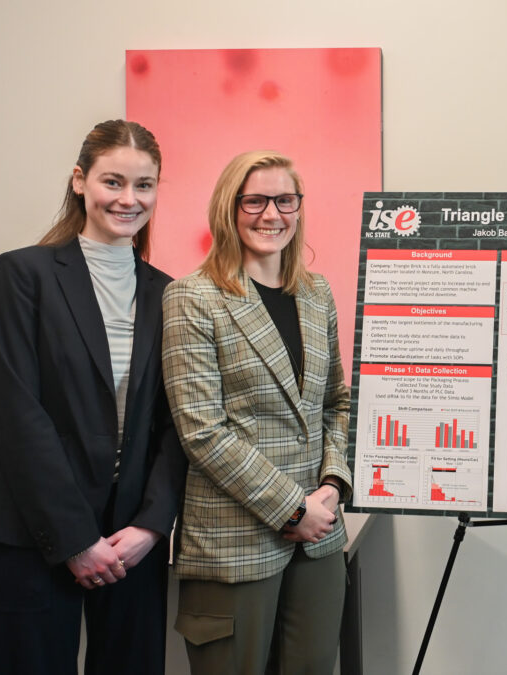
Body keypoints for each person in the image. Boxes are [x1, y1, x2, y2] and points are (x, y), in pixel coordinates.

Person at [0, 119, 188, 675]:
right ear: (80, 181)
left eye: (144, 185)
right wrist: (75, 541)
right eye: (113, 182)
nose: (128, 199)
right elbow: (20, 416)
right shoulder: (23, 274)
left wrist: (152, 528)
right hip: (32, 533)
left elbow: (174, 424)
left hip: (131, 540)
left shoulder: (170, 293)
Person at [162, 150, 353, 675]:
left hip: (319, 540)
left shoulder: (316, 295)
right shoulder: (192, 298)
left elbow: (336, 403)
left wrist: (332, 486)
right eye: (255, 200)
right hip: (235, 542)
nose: (272, 214)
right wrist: (292, 508)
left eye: (285, 200)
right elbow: (203, 431)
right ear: (230, 208)